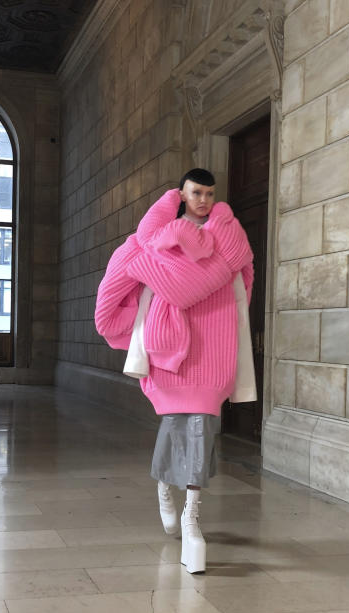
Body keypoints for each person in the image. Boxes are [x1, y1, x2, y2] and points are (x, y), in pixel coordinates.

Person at [94, 168, 254, 573]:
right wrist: (161, 283)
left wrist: (168, 277)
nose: (203, 199)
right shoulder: (155, 236)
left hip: (213, 342)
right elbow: (133, 279)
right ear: (182, 194)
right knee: (175, 424)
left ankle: (192, 513)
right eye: (196, 192)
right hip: (169, 345)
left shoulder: (229, 236)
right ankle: (166, 487)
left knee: (203, 425)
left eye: (209, 193)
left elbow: (240, 286)